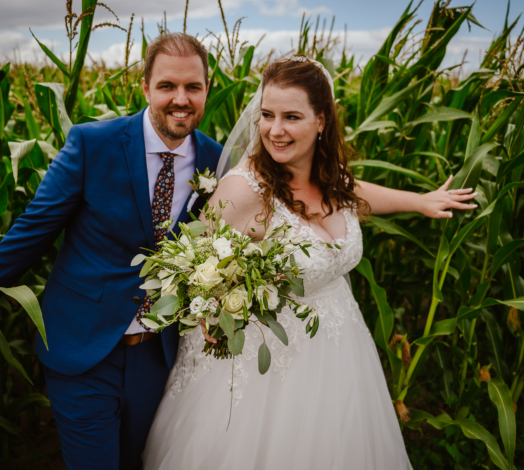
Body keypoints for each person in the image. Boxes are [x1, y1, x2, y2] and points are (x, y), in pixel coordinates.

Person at [142, 56, 478, 469]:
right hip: (268, 369)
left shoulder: (331, 176)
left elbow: (357, 193)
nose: (274, 130)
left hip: (341, 350)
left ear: (321, 120)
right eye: (267, 115)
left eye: (291, 117)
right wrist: (211, 312)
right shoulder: (245, 191)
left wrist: (420, 202)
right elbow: (193, 263)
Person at [0, 33, 223, 470]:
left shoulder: (216, 161)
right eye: (167, 86)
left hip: (160, 358)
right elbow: (27, 236)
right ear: (144, 88)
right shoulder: (92, 144)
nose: (181, 99)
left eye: (193, 87)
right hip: (82, 349)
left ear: (208, 88)